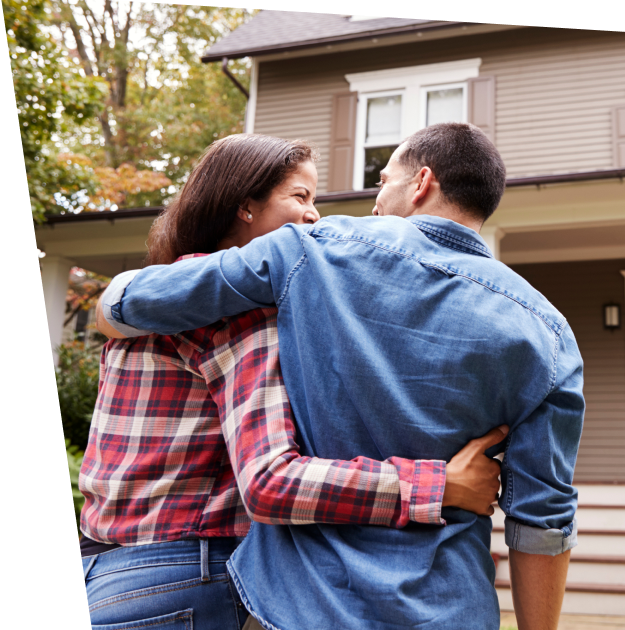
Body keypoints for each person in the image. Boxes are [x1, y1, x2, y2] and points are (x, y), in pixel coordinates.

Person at [98, 123, 585, 630]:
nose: (374, 200)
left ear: (420, 183)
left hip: (307, 606)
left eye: (382, 182)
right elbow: (543, 520)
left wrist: (108, 306)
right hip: (451, 608)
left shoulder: (310, 249)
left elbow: (132, 301)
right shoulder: (549, 333)